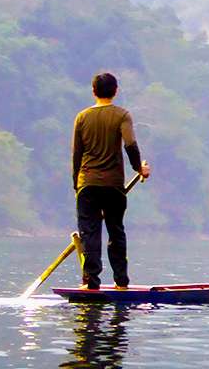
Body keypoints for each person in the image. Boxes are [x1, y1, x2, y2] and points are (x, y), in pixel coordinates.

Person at [72, 72, 151, 290]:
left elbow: (76, 155)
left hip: (86, 184)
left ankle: (92, 282)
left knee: (90, 232)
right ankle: (121, 281)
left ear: (93, 91)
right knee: (115, 230)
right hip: (113, 186)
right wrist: (139, 168)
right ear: (115, 91)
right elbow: (130, 145)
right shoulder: (121, 115)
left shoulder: (82, 117)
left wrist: (76, 184)